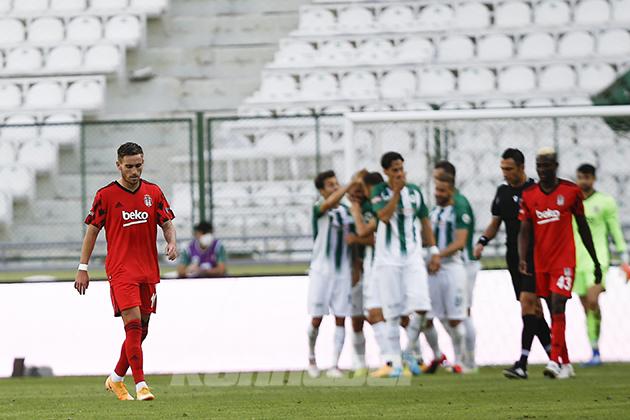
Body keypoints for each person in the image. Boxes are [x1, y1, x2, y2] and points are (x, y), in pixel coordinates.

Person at [74, 142, 177, 400]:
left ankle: (116, 378)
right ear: (118, 165)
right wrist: (83, 268)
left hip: (148, 270)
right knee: (132, 326)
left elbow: (166, 223)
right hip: (121, 271)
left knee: (143, 329)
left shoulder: (153, 192)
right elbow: (92, 231)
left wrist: (172, 242)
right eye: (129, 166)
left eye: (138, 166)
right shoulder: (105, 195)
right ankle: (141, 385)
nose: (134, 171)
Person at [518, 147, 601, 379]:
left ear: (555, 166)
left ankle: (554, 360)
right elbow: (524, 230)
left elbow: (583, 227)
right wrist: (523, 258)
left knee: (557, 305)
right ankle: (565, 363)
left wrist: (595, 260)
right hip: (541, 262)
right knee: (550, 310)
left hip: (564, 261)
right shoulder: (529, 195)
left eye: (547, 165)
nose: (542, 170)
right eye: (539, 166)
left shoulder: (571, 191)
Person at [474, 148, 551, 379]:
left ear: (521, 167)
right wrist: (482, 241)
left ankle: (522, 364)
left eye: (509, 169)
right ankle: (556, 358)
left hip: (534, 257)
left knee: (528, 305)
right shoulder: (502, 192)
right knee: (534, 311)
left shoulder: (535, 190)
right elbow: (496, 222)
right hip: (513, 258)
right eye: (503, 169)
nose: (505, 173)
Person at [369, 151, 440, 378]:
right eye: (395, 170)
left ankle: (407, 351)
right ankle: (396, 364)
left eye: (401, 168)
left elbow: (425, 221)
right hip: (388, 261)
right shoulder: (379, 192)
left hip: (412, 258)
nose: (399, 173)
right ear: (386, 172)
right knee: (392, 313)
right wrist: (397, 193)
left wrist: (434, 250)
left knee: (422, 307)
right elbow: (383, 216)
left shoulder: (415, 192)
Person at [573, 163, 628, 366]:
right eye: (580, 177)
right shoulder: (572, 202)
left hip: (598, 261)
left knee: (593, 301)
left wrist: (624, 258)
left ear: (594, 179)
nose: (583, 181)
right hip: (576, 261)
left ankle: (596, 351)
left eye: (587, 177)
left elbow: (615, 230)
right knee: (585, 307)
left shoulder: (605, 202)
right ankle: (594, 351)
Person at [306, 170, 357, 379]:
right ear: (321, 190)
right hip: (321, 271)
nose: (335, 187)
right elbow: (329, 204)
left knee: (341, 318)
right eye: (330, 185)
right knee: (316, 319)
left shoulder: (347, 211)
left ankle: (335, 364)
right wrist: (349, 185)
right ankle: (311, 358)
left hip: (343, 271)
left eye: (337, 183)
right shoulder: (319, 207)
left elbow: (354, 240)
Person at [433, 160, 478, 372]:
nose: (436, 183)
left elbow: (461, 241)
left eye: (438, 177)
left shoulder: (459, 204)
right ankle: (462, 359)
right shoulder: (440, 207)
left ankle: (469, 361)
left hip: (464, 264)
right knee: (448, 313)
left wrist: (438, 256)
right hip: (445, 265)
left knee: (462, 312)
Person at [348, 171, 392, 372]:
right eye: (353, 190)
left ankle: (394, 360)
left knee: (379, 313)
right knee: (366, 316)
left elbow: (366, 234)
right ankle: (401, 359)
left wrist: (357, 236)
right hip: (367, 266)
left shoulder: (375, 207)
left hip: (379, 265)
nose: (357, 194)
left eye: (360, 189)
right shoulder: (378, 204)